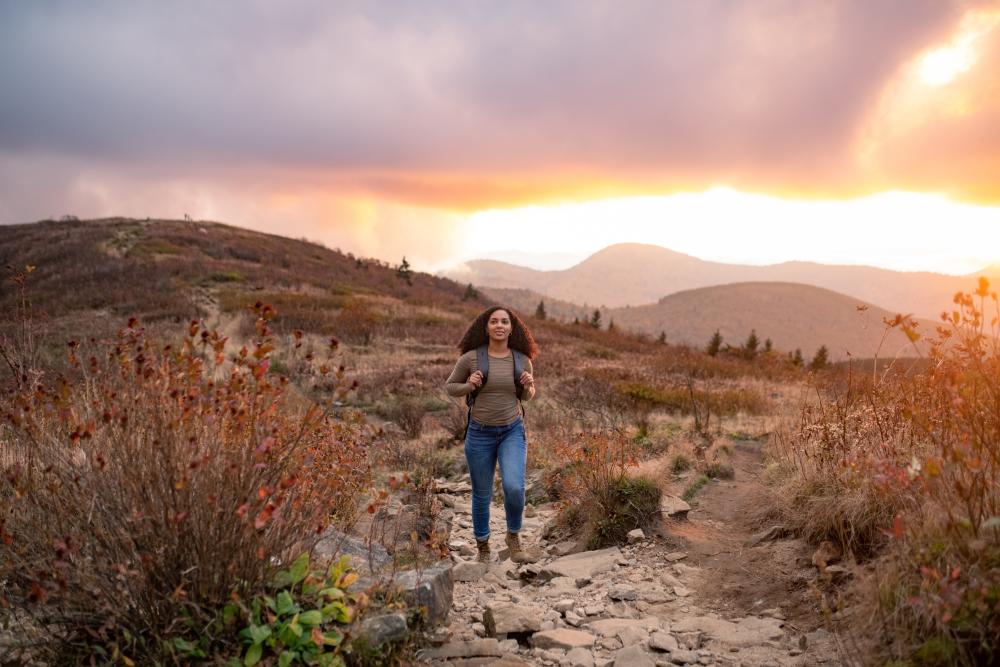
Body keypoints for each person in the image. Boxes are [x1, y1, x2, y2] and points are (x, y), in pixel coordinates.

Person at [445, 306, 538, 563]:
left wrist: (529, 387)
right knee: (482, 493)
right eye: (494, 321)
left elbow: (527, 397)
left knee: (514, 487)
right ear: (485, 327)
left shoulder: (521, 359)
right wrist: (469, 385)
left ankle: (513, 537)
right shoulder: (471, 358)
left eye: (504, 322)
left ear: (511, 327)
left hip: (512, 430)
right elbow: (450, 387)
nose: (499, 325)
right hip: (480, 434)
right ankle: (483, 545)